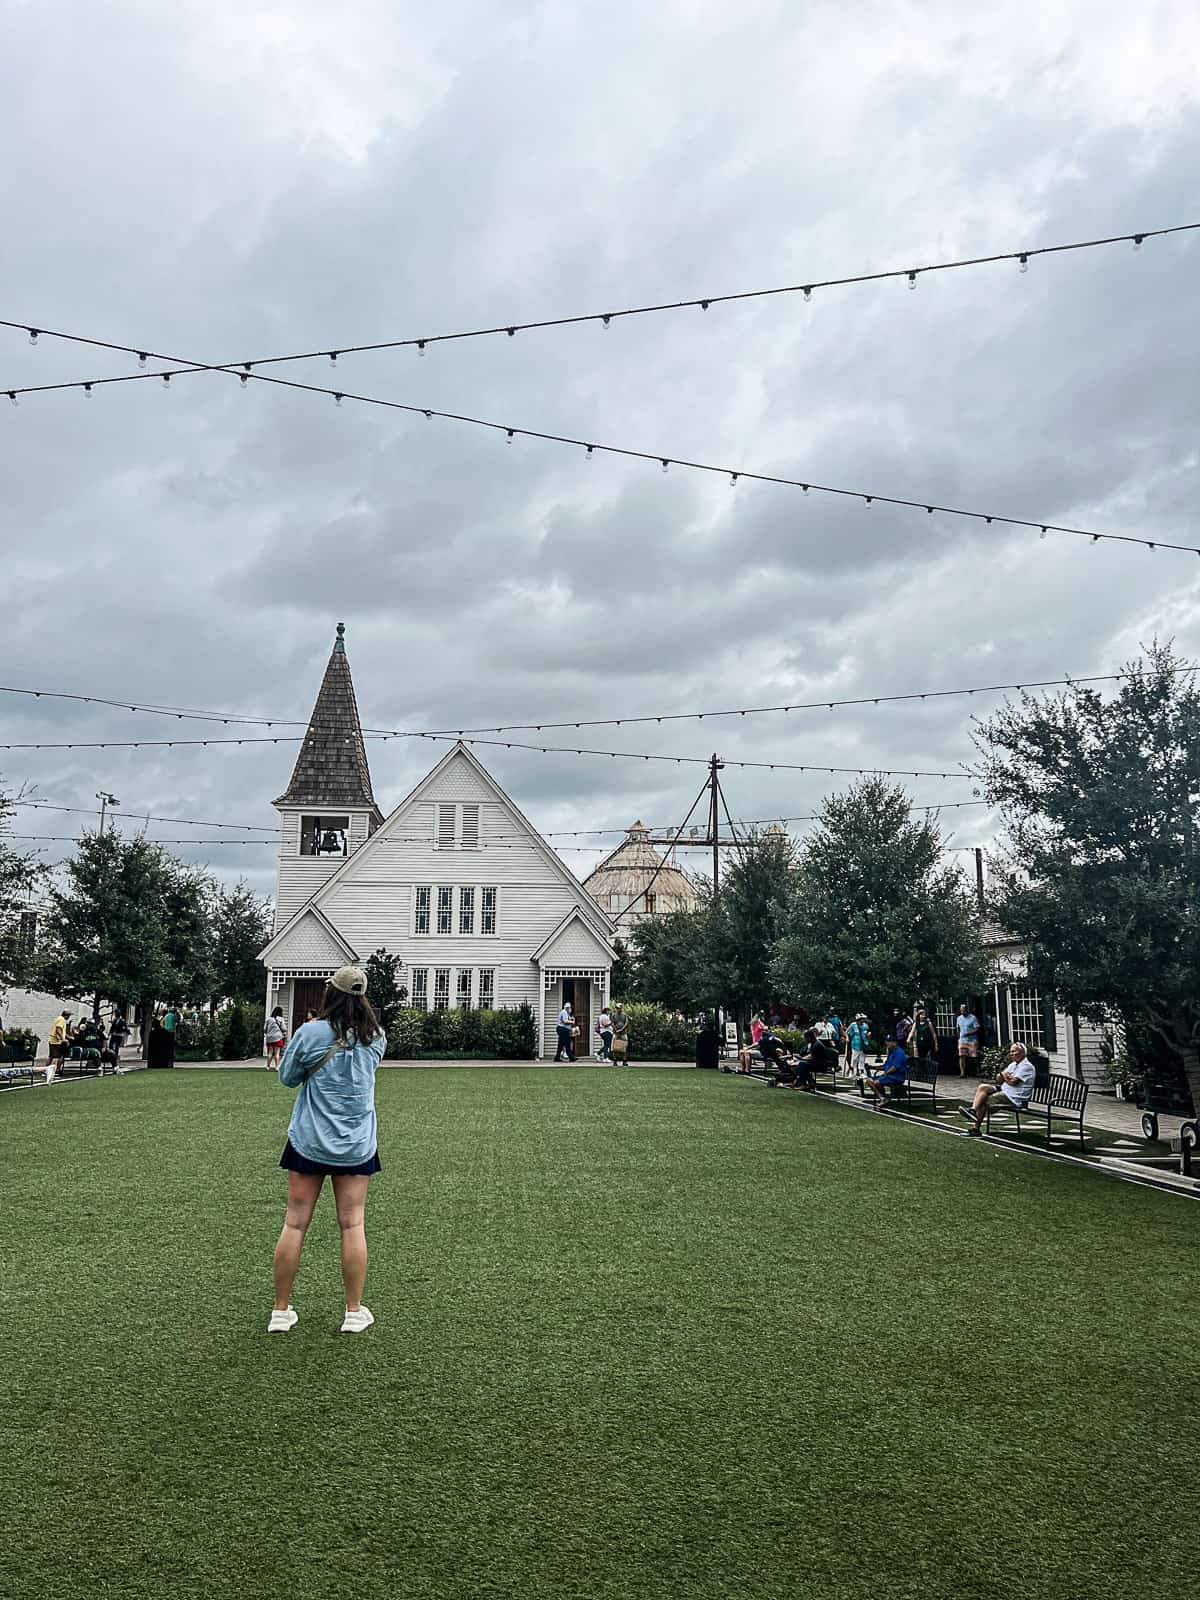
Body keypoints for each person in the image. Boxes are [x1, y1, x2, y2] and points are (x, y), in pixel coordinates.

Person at [270, 965, 387, 1335]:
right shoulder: (376, 1037)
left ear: (329, 993)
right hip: (355, 1144)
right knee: (352, 1224)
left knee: (294, 1222)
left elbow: (288, 1078)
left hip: (310, 1139)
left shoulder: (310, 1032)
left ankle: (281, 1311)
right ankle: (353, 1312)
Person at [959, 1042, 1037, 1135]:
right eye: (1011, 1052)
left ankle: (975, 1129)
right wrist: (1004, 1075)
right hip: (1005, 1090)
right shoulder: (1013, 1065)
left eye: (1014, 1052)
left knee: (984, 1100)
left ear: (1022, 1053)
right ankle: (973, 1110)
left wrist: (1004, 1075)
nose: (1011, 1054)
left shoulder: (1026, 1067)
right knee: (983, 1087)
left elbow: (1013, 1082)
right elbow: (998, 1079)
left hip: (1014, 1097)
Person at [861, 1035, 909, 1110]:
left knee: (876, 1082)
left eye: (889, 1041)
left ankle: (884, 1099)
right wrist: (873, 1067)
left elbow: (895, 1067)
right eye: (887, 1041)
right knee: (868, 1080)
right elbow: (885, 1066)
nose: (887, 1043)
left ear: (895, 1043)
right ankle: (882, 1098)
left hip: (896, 1077)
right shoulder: (891, 1052)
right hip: (889, 1076)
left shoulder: (899, 1052)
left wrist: (885, 1073)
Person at [46, 1008, 71, 1084]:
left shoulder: (58, 1018)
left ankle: (46, 1070)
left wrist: (68, 1036)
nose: (69, 1017)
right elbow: (58, 1029)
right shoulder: (62, 1020)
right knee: (61, 1056)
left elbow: (61, 1031)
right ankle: (58, 1070)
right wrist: (63, 1039)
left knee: (51, 1056)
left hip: (52, 1040)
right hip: (57, 1041)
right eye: (69, 1015)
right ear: (66, 1015)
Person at [956, 1004, 981, 1077]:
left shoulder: (973, 1018)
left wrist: (969, 1033)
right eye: (961, 1010)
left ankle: (975, 1072)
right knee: (961, 1056)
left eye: (963, 1010)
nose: (962, 1011)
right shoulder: (959, 1018)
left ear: (966, 1010)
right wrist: (958, 1037)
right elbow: (958, 1028)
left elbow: (977, 1028)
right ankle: (962, 1073)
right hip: (962, 1040)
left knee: (974, 1057)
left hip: (972, 1040)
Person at [845, 1013, 871, 1078]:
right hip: (855, 1044)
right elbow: (847, 1032)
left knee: (862, 1059)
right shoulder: (853, 1025)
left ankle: (861, 1072)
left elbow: (868, 1033)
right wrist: (847, 1038)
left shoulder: (865, 1025)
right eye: (862, 1019)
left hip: (864, 1044)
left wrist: (868, 1035)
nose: (863, 1020)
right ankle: (851, 1071)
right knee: (854, 1058)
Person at [264, 1006, 287, 1072]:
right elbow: (284, 1029)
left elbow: (264, 1029)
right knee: (277, 1053)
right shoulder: (281, 1019)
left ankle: (268, 1066)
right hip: (278, 1037)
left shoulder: (268, 1019)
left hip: (269, 1038)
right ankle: (277, 1067)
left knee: (270, 1053)